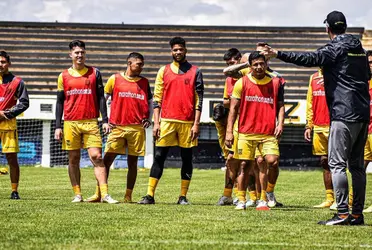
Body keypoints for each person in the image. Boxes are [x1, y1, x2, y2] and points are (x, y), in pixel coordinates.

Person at [262, 11, 370, 225]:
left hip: (343, 113)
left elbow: (309, 59)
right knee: (357, 166)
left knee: (337, 163)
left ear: (327, 29)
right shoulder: (359, 49)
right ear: (345, 26)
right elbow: (367, 76)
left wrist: (278, 53)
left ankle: (341, 213)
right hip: (362, 113)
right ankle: (356, 214)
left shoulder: (333, 48)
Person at [138, 37, 204, 205]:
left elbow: (199, 100)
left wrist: (196, 124)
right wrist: (157, 122)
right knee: (159, 156)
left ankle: (182, 197)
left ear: (185, 50)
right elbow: (157, 98)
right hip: (166, 121)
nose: (178, 52)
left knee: (187, 159)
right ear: (171, 52)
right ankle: (149, 195)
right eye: (175, 50)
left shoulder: (196, 71)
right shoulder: (163, 71)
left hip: (187, 123)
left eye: (181, 49)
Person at [55, 40, 118, 204]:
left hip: (91, 121)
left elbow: (101, 98)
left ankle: (104, 194)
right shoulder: (63, 76)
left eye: (82, 52)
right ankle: (77, 194)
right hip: (70, 122)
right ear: (70, 55)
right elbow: (60, 102)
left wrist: (105, 120)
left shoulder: (94, 73)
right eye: (76, 52)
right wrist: (57, 126)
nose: (80, 55)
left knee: (97, 156)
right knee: (73, 159)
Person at [225, 51, 284, 211]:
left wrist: (280, 124)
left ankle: (266, 195)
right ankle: (242, 199)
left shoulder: (275, 82)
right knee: (244, 165)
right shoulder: (241, 83)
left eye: (262, 63)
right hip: (246, 131)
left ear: (266, 64)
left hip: (268, 132)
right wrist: (229, 132)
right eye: (255, 64)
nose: (259, 67)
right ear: (250, 66)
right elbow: (233, 109)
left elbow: (280, 105)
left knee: (271, 161)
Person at [101, 52, 152, 203]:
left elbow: (150, 101)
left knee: (133, 163)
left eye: (142, 64)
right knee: (107, 160)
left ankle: (128, 196)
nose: (141, 67)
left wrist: (149, 119)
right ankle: (102, 193)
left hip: (137, 128)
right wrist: (105, 119)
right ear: (129, 63)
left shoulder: (144, 82)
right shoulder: (114, 78)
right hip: (117, 126)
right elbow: (103, 99)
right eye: (139, 64)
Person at [0, 51, 29, 200]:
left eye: (3, 62)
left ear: (9, 63)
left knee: (12, 159)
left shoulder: (17, 82)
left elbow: (24, 103)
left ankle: (14, 191)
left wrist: (6, 114)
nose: (0, 64)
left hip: (8, 124)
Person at [215, 48, 242, 206]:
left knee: (246, 162)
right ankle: (229, 195)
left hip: (247, 122)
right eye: (228, 64)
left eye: (232, 63)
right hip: (233, 123)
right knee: (231, 159)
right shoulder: (228, 80)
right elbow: (226, 101)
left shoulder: (247, 77)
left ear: (239, 60)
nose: (230, 67)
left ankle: (247, 194)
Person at [304, 69, 334, 208]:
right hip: (318, 126)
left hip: (335, 124)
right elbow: (310, 102)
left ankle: (343, 198)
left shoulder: (337, 74)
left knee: (339, 163)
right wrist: (309, 125)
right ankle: (329, 198)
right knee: (324, 161)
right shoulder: (313, 77)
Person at [363, 50, 372, 213]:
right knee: (359, 166)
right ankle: (351, 201)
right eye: (368, 62)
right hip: (365, 130)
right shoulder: (362, 81)